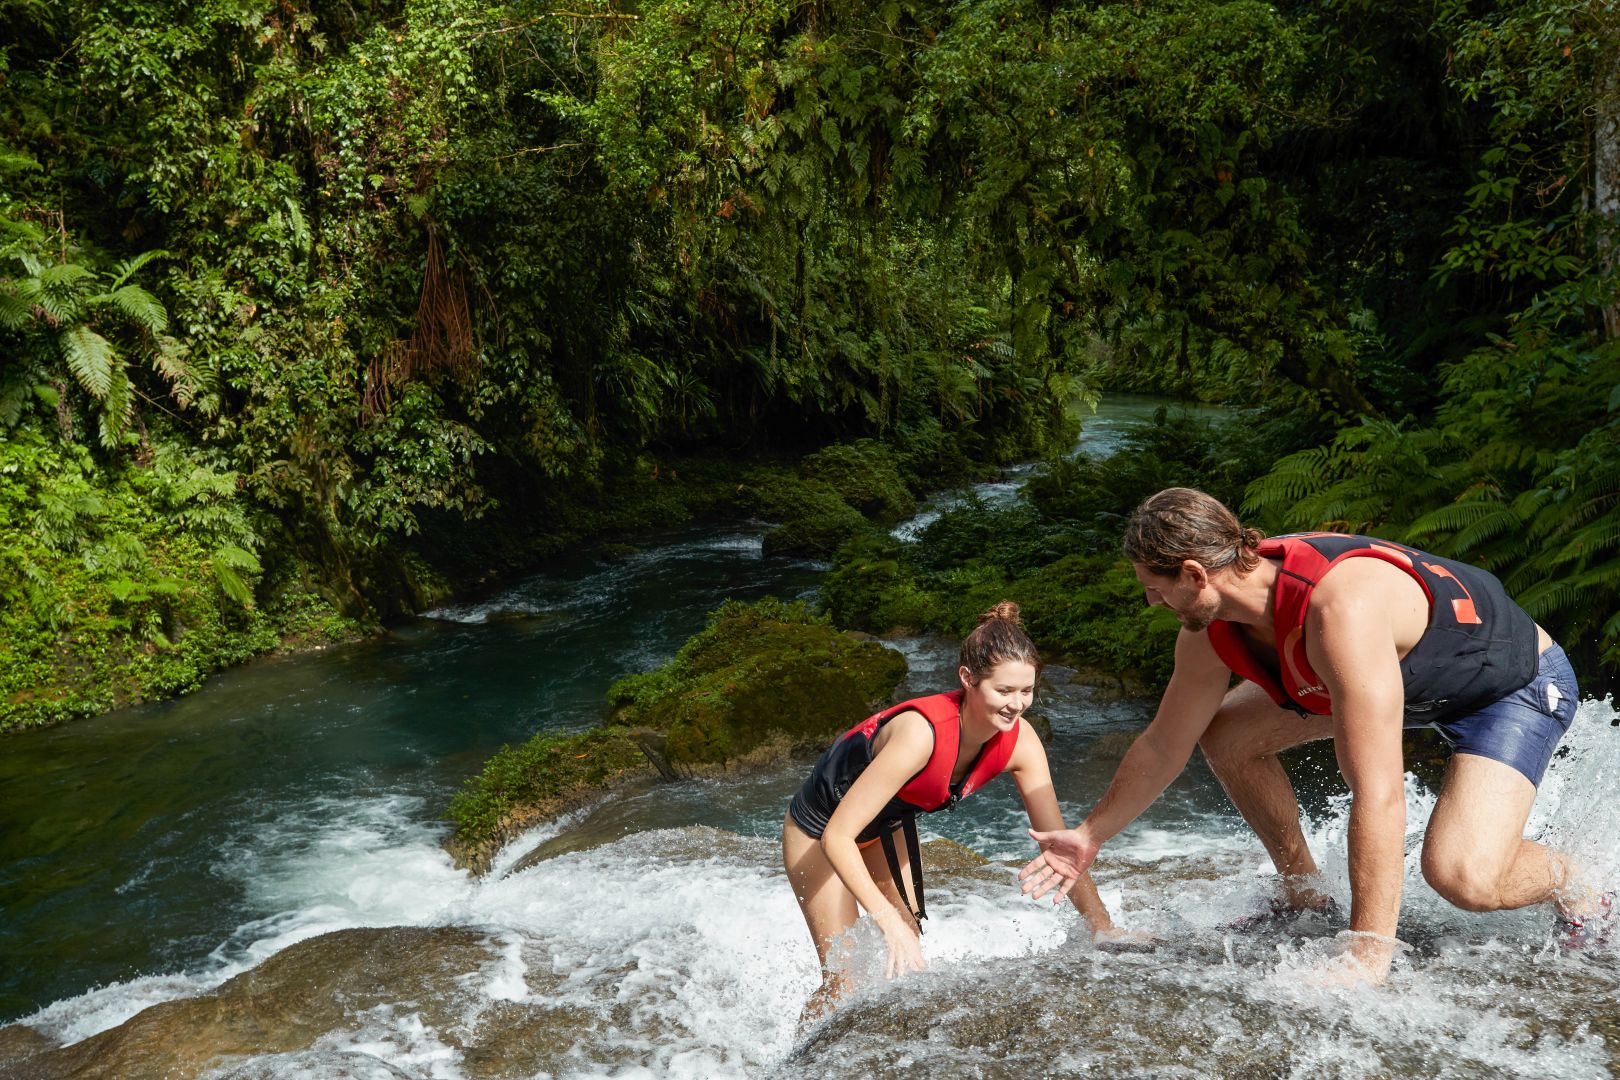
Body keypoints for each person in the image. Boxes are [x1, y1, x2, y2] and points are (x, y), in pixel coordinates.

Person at [1019, 487, 1597, 985]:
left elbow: (1379, 791)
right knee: (1227, 733)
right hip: (1394, 680)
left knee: (1462, 877)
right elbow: (1165, 743)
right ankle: (1304, 893)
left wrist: (1367, 954)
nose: (1150, 599)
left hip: (1508, 684)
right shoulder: (1209, 632)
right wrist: (1090, 835)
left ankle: (1574, 878)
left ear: (1194, 574)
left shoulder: (1339, 608)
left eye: (1154, 585)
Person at [783, 601, 1123, 1019]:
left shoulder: (1022, 742)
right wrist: (886, 918)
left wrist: (1101, 927)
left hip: (886, 825)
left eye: (1027, 691)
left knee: (909, 951)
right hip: (819, 830)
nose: (1017, 704)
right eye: (1004, 691)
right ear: (967, 678)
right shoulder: (920, 735)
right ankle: (804, 1050)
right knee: (844, 978)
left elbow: (1059, 845)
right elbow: (838, 836)